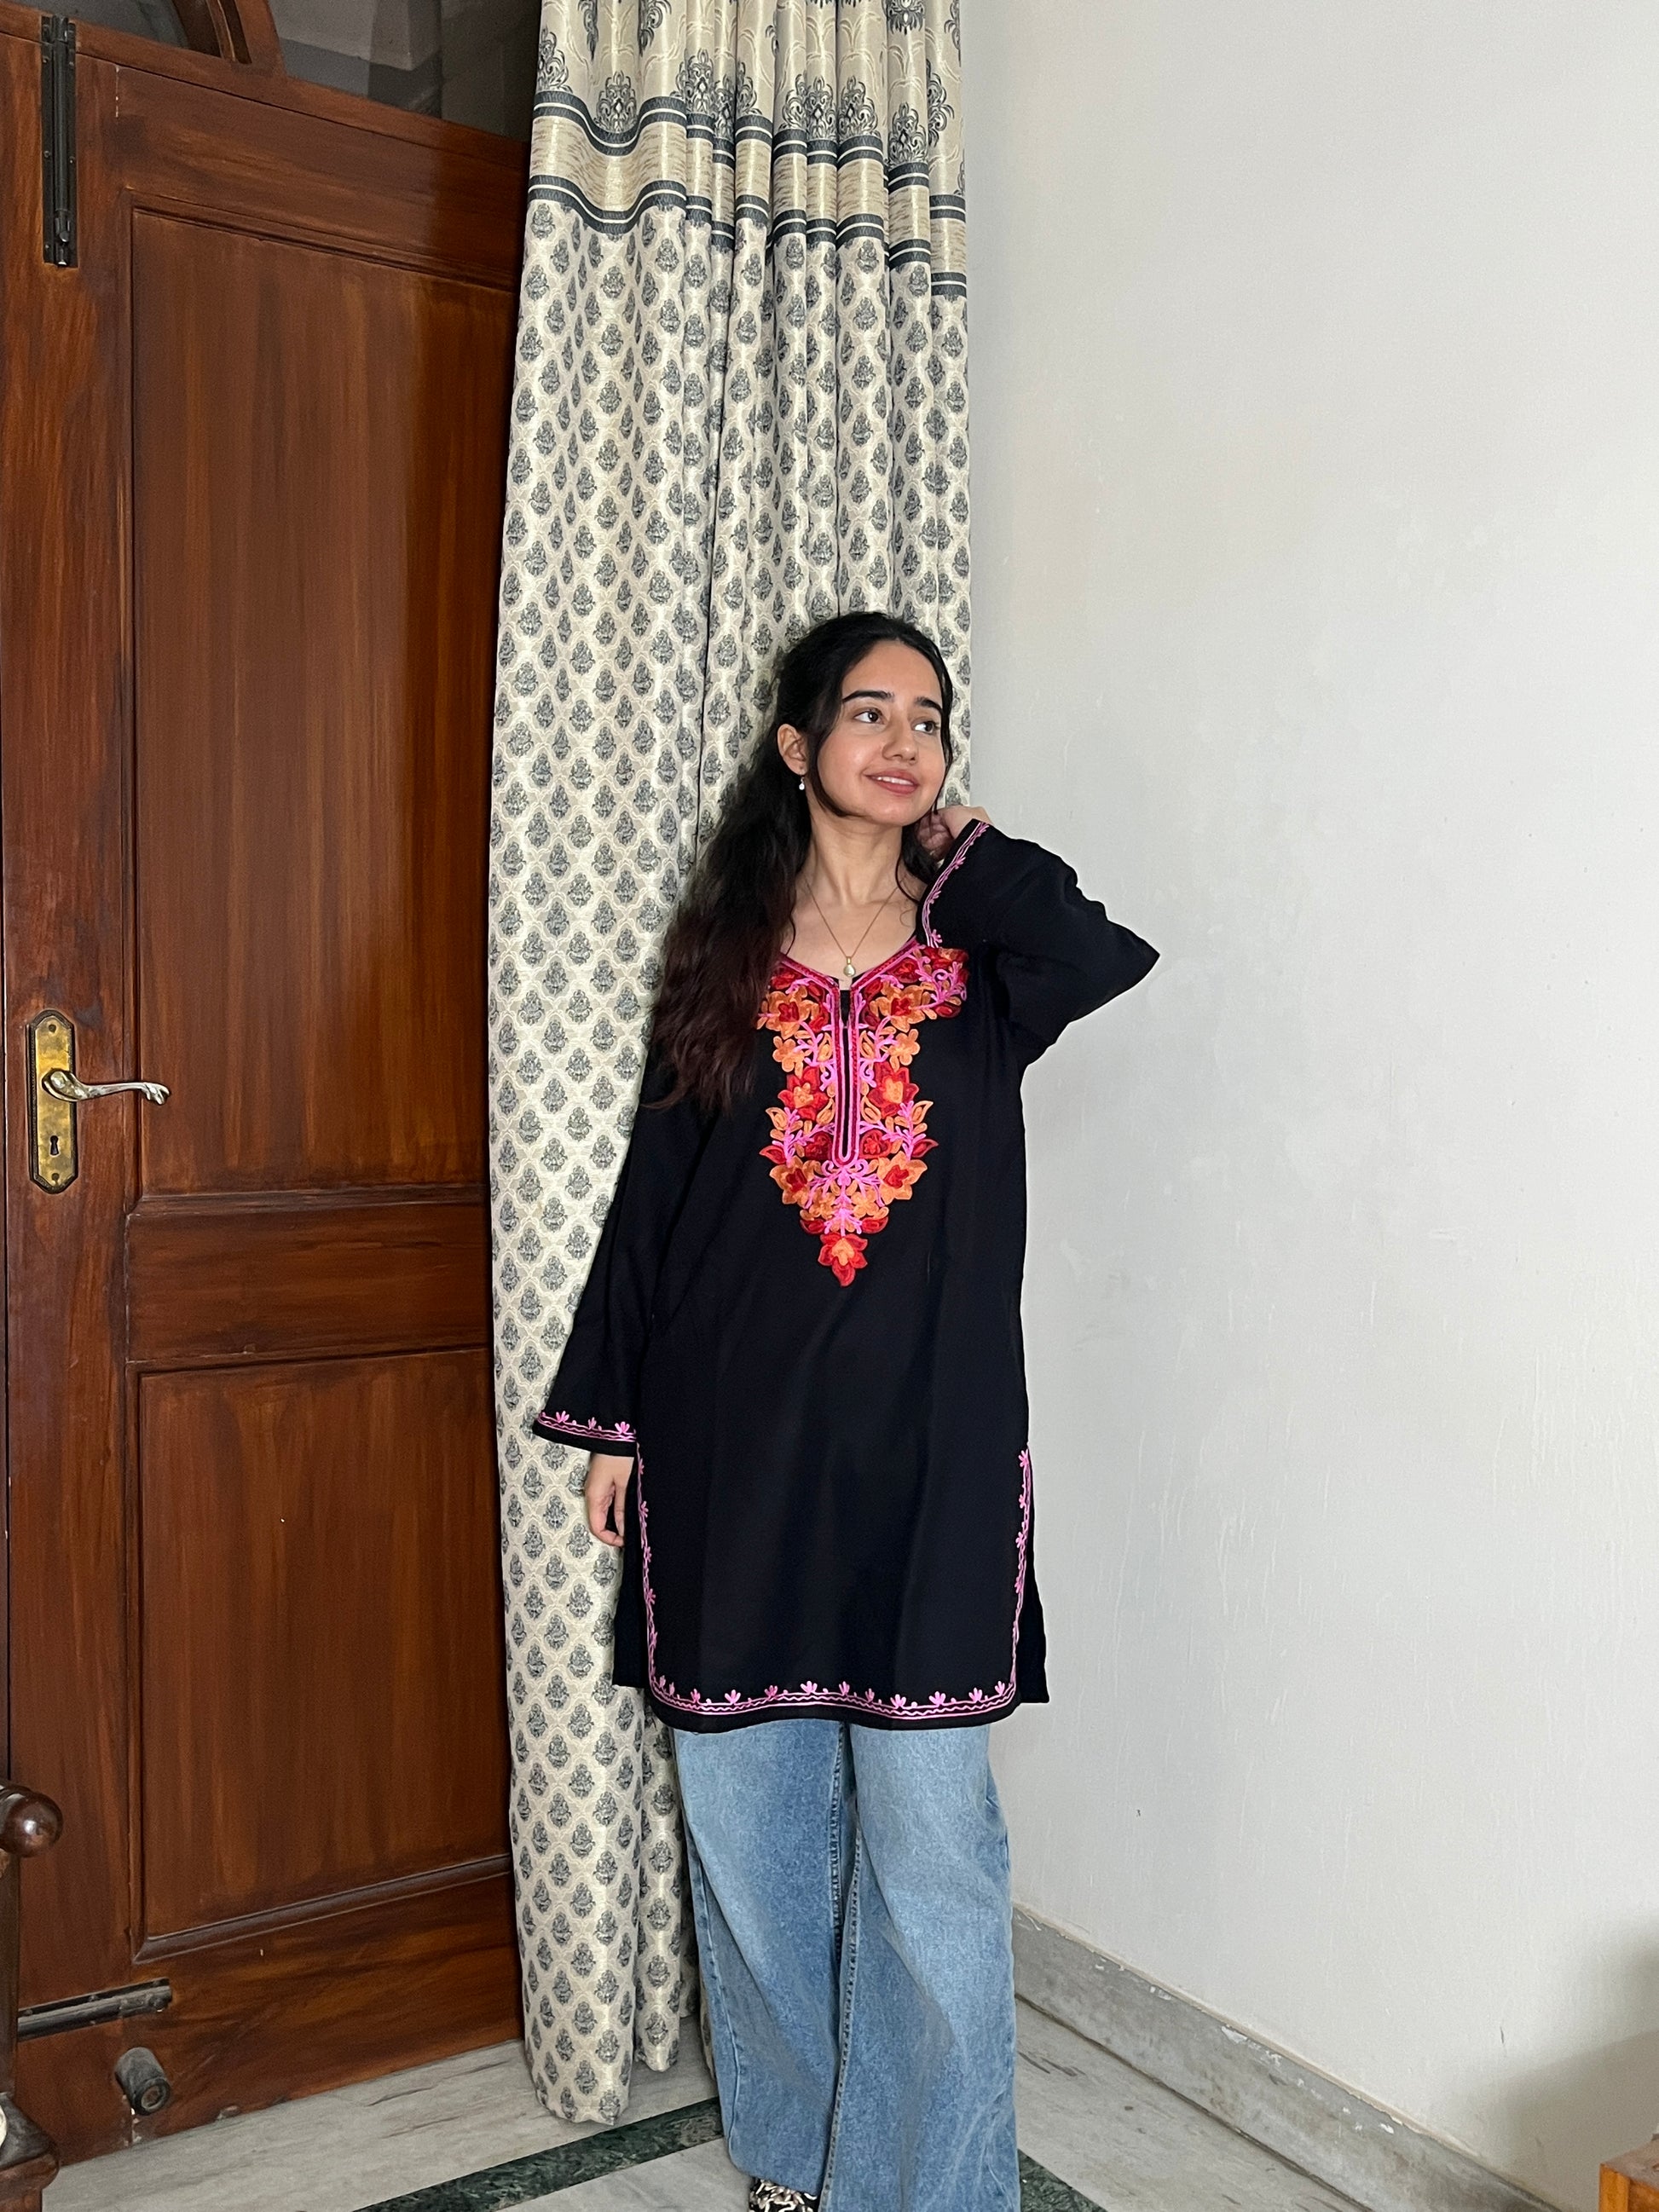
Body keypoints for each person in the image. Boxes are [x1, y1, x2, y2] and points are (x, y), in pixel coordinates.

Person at [533, 610, 1158, 2212]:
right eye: (867, 713)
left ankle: (936, 2190)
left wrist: (963, 855)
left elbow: (1102, 952)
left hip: (931, 1456)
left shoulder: (982, 966)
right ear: (794, 746)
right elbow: (655, 1202)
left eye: (928, 719)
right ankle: (797, 2162)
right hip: (732, 1448)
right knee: (753, 1844)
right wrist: (613, 1421)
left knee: (933, 1849)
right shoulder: (725, 961)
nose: (901, 740)